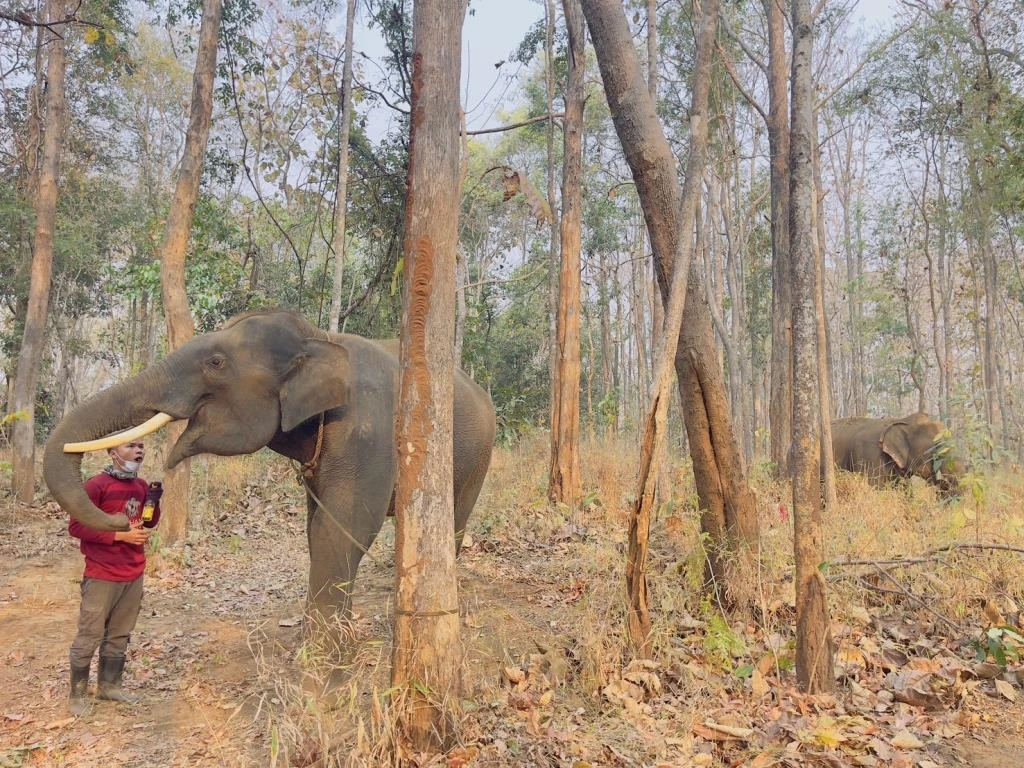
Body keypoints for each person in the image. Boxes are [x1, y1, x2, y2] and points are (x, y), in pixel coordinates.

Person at [67, 440, 162, 716]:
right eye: (130, 446)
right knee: (91, 633)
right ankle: (77, 695)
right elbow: (76, 526)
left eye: (142, 446)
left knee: (120, 632)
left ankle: (109, 687)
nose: (138, 451)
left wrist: (154, 502)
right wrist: (120, 536)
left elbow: (149, 522)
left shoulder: (141, 485)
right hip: (102, 573)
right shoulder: (97, 486)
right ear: (112, 453)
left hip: (133, 571)